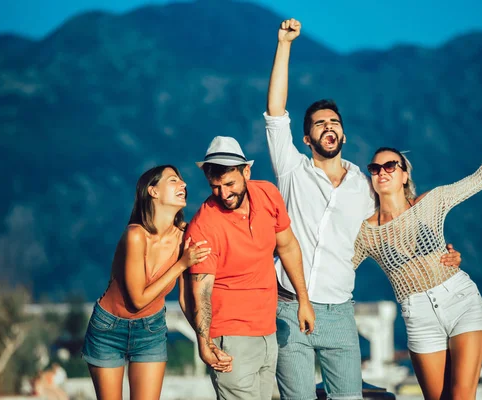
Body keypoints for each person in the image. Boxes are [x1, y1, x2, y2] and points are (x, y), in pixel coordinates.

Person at [264, 18, 462, 400]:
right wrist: (284, 44)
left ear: (344, 134)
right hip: (287, 304)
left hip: (339, 312)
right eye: (320, 124)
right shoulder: (290, 169)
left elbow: (400, 219)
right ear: (307, 138)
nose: (328, 127)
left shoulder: (365, 185)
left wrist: (442, 252)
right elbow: (275, 110)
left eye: (334, 122)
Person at [352, 97, 482, 399]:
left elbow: (479, 179)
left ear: (404, 174)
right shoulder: (367, 233)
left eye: (390, 165)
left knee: (463, 395)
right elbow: (338, 268)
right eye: (375, 168)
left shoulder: (431, 203)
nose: (382, 171)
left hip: (460, 300)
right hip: (418, 317)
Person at [185, 136, 315, 400]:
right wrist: (204, 343)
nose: (223, 194)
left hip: (268, 331)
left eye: (229, 184)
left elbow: (288, 246)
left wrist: (304, 300)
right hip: (231, 339)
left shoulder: (267, 193)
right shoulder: (204, 225)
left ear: (246, 171)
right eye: (215, 187)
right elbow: (201, 291)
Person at [81, 165, 216, 400]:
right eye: (174, 180)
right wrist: (182, 264)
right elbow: (137, 300)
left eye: (183, 182)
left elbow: (185, 299)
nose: (183, 185)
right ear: (152, 191)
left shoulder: (185, 238)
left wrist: (204, 340)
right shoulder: (135, 235)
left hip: (151, 330)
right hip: (108, 329)